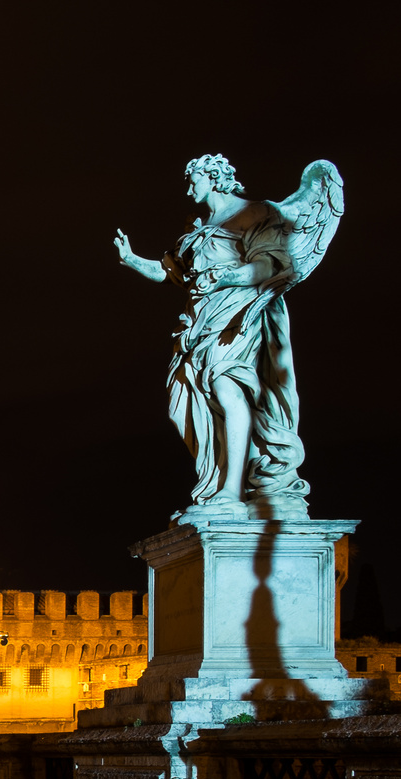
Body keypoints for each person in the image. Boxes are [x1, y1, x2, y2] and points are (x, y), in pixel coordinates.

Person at [113, 154, 342, 520]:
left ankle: (232, 493)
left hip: (239, 313)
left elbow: (270, 264)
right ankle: (223, 486)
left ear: (214, 178)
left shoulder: (256, 213)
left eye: (194, 180)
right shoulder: (197, 227)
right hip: (199, 321)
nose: (190, 189)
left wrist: (225, 278)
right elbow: (172, 272)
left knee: (227, 386)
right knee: (187, 403)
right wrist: (133, 260)